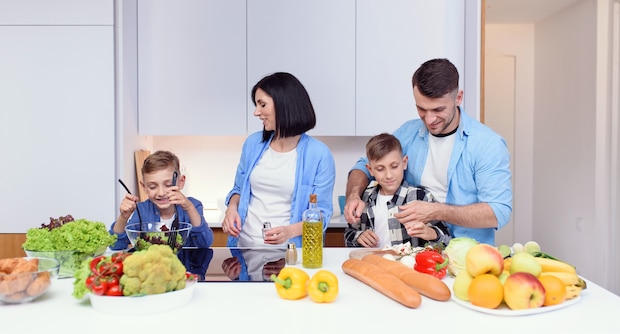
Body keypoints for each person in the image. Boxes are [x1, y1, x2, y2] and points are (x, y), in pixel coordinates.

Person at [344, 58, 512, 246]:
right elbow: (363, 166)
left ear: (458, 98)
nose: (430, 119)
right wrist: (354, 195)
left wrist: (436, 211)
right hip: (415, 255)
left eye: (438, 109)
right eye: (421, 109)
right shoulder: (408, 133)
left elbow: (499, 212)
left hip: (467, 255)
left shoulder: (487, 144)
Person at [222, 72, 335, 248]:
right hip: (245, 248)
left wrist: (290, 231)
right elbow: (238, 189)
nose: (256, 112)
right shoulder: (253, 143)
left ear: (284, 105)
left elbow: (322, 215)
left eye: (262, 104)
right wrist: (231, 209)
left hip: (290, 254)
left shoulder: (319, 154)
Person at [344, 133, 451, 248]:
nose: (389, 175)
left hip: (407, 265)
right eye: (380, 169)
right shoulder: (364, 198)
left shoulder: (420, 197)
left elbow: (447, 240)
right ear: (370, 170)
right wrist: (359, 236)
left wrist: (431, 233)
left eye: (394, 166)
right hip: (372, 263)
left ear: (404, 163)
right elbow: (348, 234)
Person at [109, 150, 214, 250]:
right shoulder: (142, 210)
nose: (161, 193)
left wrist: (189, 208)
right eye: (152, 187)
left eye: (168, 185)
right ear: (144, 186)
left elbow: (204, 243)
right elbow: (116, 245)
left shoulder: (193, 206)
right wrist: (123, 216)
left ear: (181, 182)